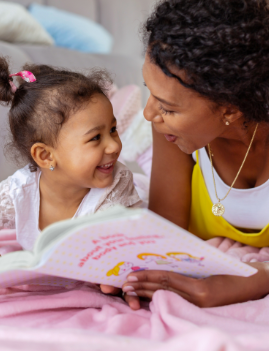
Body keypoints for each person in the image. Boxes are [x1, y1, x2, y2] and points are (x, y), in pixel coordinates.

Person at [101, 0, 269, 310]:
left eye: (168, 106)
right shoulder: (172, 133)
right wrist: (130, 274)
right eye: (149, 90)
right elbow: (164, 240)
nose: (149, 113)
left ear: (229, 109)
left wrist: (253, 281)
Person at [0, 58, 141, 251]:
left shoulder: (116, 189)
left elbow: (126, 252)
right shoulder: (17, 192)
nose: (114, 146)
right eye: (95, 138)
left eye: (113, 130)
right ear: (45, 156)